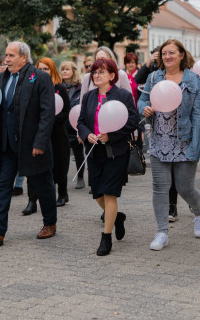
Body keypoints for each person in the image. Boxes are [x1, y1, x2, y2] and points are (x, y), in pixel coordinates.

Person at [0, 41, 58, 245]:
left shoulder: (40, 77)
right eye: (6, 55)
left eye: (11, 56)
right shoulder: (3, 77)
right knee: (2, 186)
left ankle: (50, 223)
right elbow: (0, 105)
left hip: (32, 143)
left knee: (42, 184)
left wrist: (40, 142)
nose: (6, 60)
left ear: (24, 58)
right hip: (7, 143)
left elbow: (48, 113)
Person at [139, 39, 200, 251]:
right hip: (160, 141)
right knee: (160, 188)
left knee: (184, 187)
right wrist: (145, 109)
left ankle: (199, 211)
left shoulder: (194, 80)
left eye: (172, 52)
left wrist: (197, 146)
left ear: (181, 55)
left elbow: (198, 115)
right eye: (164, 53)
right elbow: (142, 100)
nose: (167, 56)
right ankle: (162, 232)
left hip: (185, 140)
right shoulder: (154, 77)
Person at [77, 58, 140, 255]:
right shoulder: (88, 97)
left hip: (116, 153)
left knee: (109, 192)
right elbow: (80, 122)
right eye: (94, 72)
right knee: (97, 194)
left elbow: (132, 121)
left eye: (101, 72)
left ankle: (106, 237)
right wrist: (86, 134)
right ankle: (117, 217)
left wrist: (111, 136)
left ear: (112, 76)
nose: (96, 75)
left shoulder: (122, 95)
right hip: (94, 152)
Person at [22, 57, 70, 214]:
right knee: (33, 166)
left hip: (57, 134)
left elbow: (65, 112)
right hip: (37, 133)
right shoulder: (30, 86)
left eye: (46, 69)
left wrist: (49, 121)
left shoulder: (60, 88)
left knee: (59, 164)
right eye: (40, 69)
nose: (42, 72)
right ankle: (32, 200)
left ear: (52, 70)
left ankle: (62, 193)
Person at [0, 55, 25, 198]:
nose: (4, 66)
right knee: (1, 163)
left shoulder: (22, 79)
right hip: (3, 131)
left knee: (19, 160)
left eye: (7, 62)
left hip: (18, 130)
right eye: (1, 64)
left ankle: (19, 184)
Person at [60, 61, 86, 189]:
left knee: (78, 152)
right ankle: (60, 179)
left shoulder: (80, 87)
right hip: (62, 125)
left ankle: (80, 177)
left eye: (67, 69)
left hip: (75, 126)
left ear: (73, 71)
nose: (64, 71)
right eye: (63, 69)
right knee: (62, 155)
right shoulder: (58, 87)